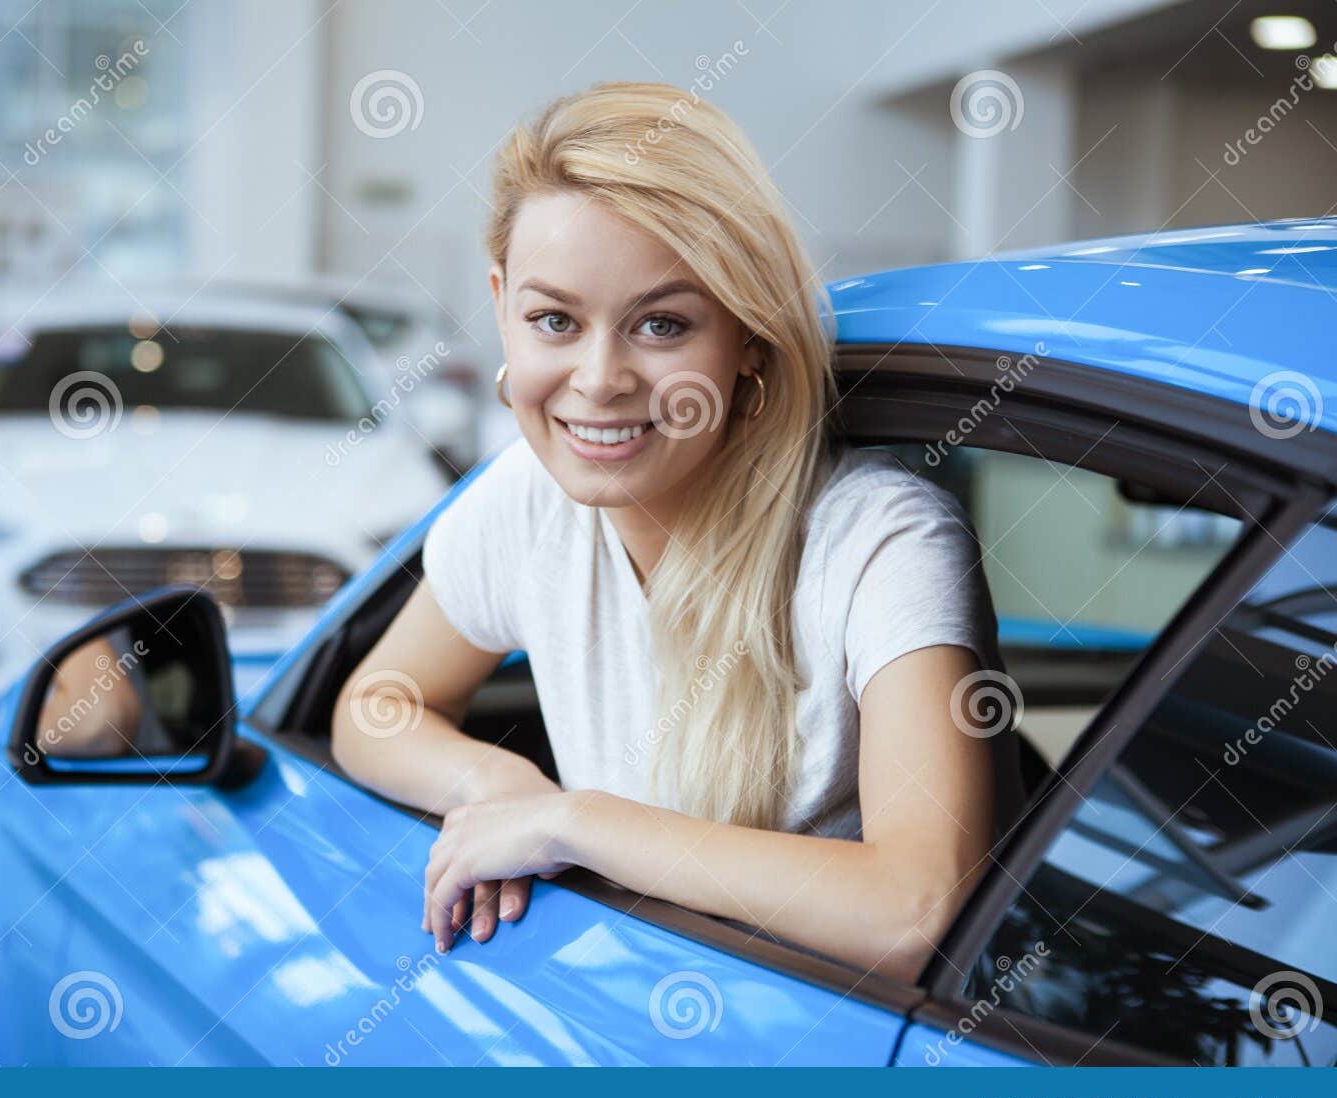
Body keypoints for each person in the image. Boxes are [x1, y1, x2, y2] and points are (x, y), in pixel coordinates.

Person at [330, 82, 1023, 983]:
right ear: (501, 305)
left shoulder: (881, 542)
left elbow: (912, 908)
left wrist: (574, 821)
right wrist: (495, 784)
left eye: (662, 323)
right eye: (554, 320)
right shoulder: (526, 500)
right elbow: (373, 707)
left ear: (747, 337)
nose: (601, 377)